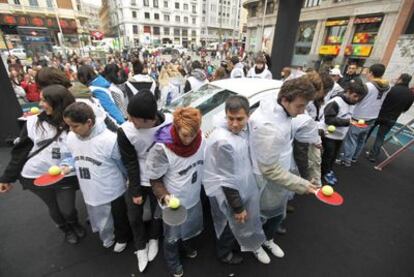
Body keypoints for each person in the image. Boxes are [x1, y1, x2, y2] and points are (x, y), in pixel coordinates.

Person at [0, 85, 85, 244]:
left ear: (59, 103)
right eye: (40, 100)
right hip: (34, 175)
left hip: (66, 175)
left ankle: (74, 223)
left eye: (44, 100)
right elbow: (20, 152)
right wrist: (6, 178)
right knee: (54, 208)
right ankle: (66, 229)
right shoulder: (33, 122)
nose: (40, 104)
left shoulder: (74, 122)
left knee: (68, 209)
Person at [249, 77, 319, 260]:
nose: (302, 111)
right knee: (259, 215)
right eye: (300, 106)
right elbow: (269, 170)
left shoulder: (279, 106)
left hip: (281, 174)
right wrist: (301, 184)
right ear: (285, 100)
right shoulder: (270, 128)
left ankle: (268, 240)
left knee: (277, 213)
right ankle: (256, 245)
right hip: (265, 179)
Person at [204, 96, 267, 265]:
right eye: (230, 119)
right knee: (229, 224)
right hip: (230, 194)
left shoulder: (247, 130)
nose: (234, 124)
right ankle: (224, 253)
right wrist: (238, 207)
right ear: (225, 116)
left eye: (240, 119)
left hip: (245, 186)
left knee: (240, 221)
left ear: (248, 116)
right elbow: (226, 180)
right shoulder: (223, 140)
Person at [62, 102, 131, 251]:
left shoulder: (109, 140)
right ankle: (107, 234)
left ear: (89, 122)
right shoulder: (71, 137)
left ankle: (122, 236)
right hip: (89, 186)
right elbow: (70, 155)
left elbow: (122, 164)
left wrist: (128, 179)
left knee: (118, 215)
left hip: (113, 189)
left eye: (74, 126)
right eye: (69, 126)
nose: (71, 130)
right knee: (97, 212)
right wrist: (67, 165)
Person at [117, 91, 172, 272]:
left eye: (134, 118)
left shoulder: (169, 122)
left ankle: (154, 238)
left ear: (149, 119)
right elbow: (130, 162)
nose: (130, 121)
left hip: (163, 178)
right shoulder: (125, 130)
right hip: (138, 178)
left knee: (159, 212)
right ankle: (140, 247)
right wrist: (135, 190)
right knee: (134, 216)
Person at [146, 107, 205, 277]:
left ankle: (187, 247)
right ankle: (172, 263)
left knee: (191, 228)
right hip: (173, 204)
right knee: (171, 238)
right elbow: (155, 179)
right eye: (185, 135)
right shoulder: (162, 149)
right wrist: (165, 197)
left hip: (193, 197)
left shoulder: (201, 140)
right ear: (176, 129)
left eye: (193, 134)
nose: (189, 139)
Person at [339, 64, 391, 167]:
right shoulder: (388, 87)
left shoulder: (367, 86)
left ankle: (346, 160)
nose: (366, 74)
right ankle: (354, 158)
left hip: (359, 116)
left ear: (371, 73)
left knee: (351, 139)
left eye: (367, 72)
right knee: (361, 139)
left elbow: (356, 99)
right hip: (373, 117)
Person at [321, 80, 367, 185]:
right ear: (348, 92)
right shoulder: (335, 102)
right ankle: (325, 172)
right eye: (355, 96)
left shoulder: (352, 103)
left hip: (340, 136)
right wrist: (347, 122)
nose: (357, 99)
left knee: (333, 155)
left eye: (359, 97)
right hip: (329, 135)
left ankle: (328, 170)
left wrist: (350, 122)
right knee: (328, 155)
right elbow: (328, 119)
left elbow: (347, 116)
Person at [366, 73, 414, 162]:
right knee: (380, 137)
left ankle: (358, 148)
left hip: (379, 115)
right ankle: (373, 156)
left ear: (401, 80)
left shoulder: (392, 89)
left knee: (368, 131)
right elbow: (405, 109)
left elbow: (382, 101)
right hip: (392, 118)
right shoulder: (411, 94)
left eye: (398, 78)